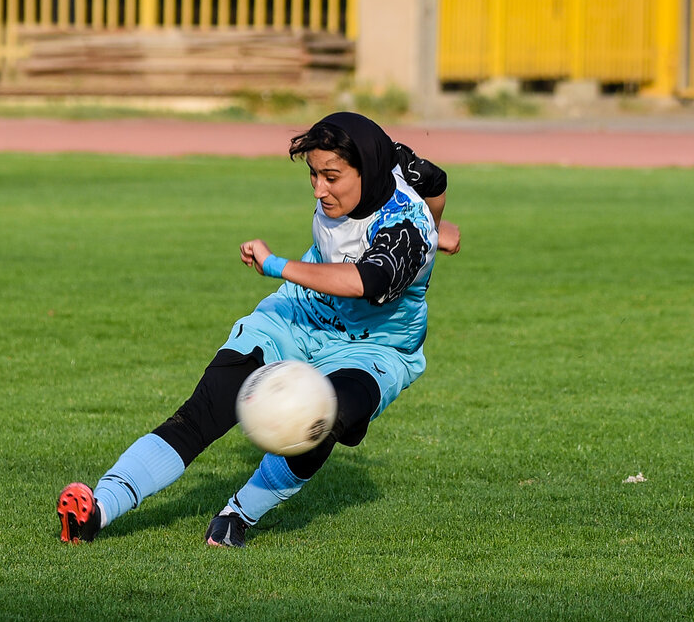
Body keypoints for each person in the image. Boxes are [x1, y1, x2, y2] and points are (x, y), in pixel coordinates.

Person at [57, 111, 461, 547]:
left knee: (326, 417)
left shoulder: (406, 230)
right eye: (313, 175)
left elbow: (364, 283)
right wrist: (442, 228)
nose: (319, 189)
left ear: (370, 168)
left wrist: (276, 264)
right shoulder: (396, 160)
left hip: (373, 346)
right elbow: (434, 179)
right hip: (301, 314)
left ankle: (239, 513)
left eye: (332, 177)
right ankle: (98, 509)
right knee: (206, 407)